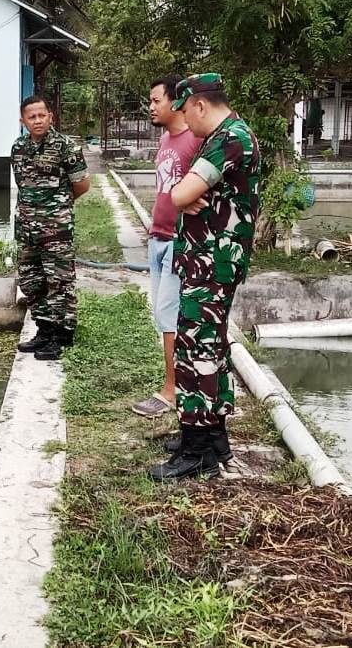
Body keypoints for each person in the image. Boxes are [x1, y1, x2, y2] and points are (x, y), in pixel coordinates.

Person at [148, 73, 260, 480]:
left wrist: (187, 192)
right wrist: (189, 193)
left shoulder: (230, 138)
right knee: (208, 348)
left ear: (198, 104)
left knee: (198, 352)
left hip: (212, 264)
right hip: (204, 262)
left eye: (184, 111)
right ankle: (212, 437)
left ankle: (198, 450)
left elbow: (176, 195)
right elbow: (184, 194)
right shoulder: (222, 137)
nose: (184, 122)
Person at [131, 75, 202, 418]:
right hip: (158, 237)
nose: (151, 107)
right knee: (163, 316)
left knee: (169, 316)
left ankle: (172, 390)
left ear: (176, 102)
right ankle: (176, 384)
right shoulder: (166, 139)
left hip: (178, 240)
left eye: (156, 100)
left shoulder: (194, 140)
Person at [11, 94, 90, 361]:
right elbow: (23, 186)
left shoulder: (66, 146)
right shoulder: (18, 147)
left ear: (50, 116)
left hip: (55, 229)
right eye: (31, 117)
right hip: (26, 230)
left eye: (41, 115)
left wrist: (56, 209)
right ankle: (44, 330)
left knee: (59, 282)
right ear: (23, 121)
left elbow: (82, 185)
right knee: (31, 280)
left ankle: (61, 335)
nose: (37, 121)